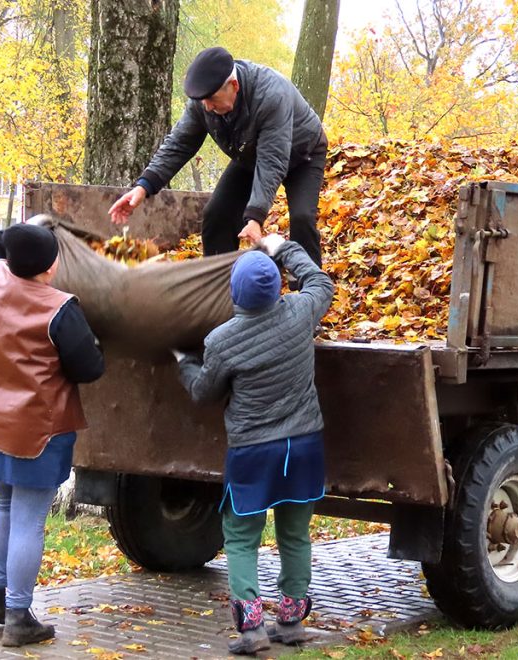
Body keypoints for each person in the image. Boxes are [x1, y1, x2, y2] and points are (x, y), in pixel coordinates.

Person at [172, 234, 334, 655]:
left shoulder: (222, 340)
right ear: (279, 286)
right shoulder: (301, 312)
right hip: (303, 447)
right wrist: (283, 247)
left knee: (242, 537)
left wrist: (184, 363)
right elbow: (320, 281)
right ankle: (292, 622)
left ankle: (252, 631)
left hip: (253, 453)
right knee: (295, 535)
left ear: (234, 293)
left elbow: (203, 393)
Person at [0, 216, 105, 648]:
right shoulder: (60, 308)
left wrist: (22, 228)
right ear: (49, 267)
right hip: (36, 431)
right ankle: (19, 616)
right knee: (28, 517)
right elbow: (90, 368)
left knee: (3, 506)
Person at [108, 47, 328, 267]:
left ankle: (311, 289)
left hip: (303, 154)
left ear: (234, 86)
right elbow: (179, 143)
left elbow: (272, 160)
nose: (207, 107)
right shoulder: (203, 102)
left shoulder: (271, 94)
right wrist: (143, 186)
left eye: (212, 99)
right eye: (203, 101)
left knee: (301, 219)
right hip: (250, 155)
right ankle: (219, 286)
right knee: (216, 215)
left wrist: (255, 217)